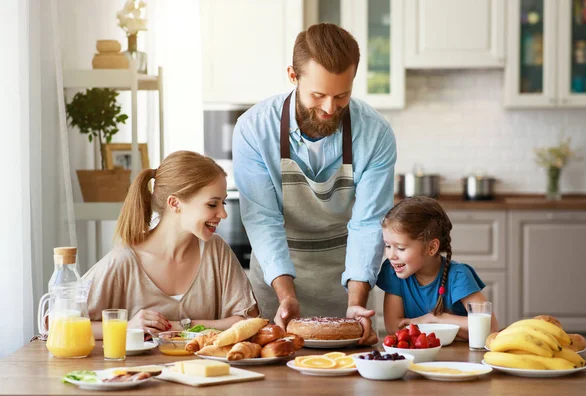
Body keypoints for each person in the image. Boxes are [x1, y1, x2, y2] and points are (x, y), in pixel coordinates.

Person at [232, 23, 396, 345]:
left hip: (348, 283)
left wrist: (355, 302)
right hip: (277, 286)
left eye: (342, 95)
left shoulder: (375, 133)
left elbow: (367, 224)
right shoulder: (253, 130)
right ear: (293, 76)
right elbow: (263, 220)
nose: (330, 108)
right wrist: (286, 296)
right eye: (318, 95)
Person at [83, 151, 259, 339]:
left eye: (222, 203)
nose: (223, 214)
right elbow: (58, 322)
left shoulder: (215, 250)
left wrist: (180, 325)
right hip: (141, 369)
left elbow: (247, 321)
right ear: (175, 203)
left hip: (204, 367)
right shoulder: (125, 259)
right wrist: (126, 327)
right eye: (212, 204)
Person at [376, 196, 499, 340]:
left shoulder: (459, 276)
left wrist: (434, 319)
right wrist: (459, 327)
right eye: (388, 245)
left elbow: (490, 327)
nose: (390, 255)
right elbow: (394, 328)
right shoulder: (393, 272)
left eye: (401, 248)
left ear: (432, 247)